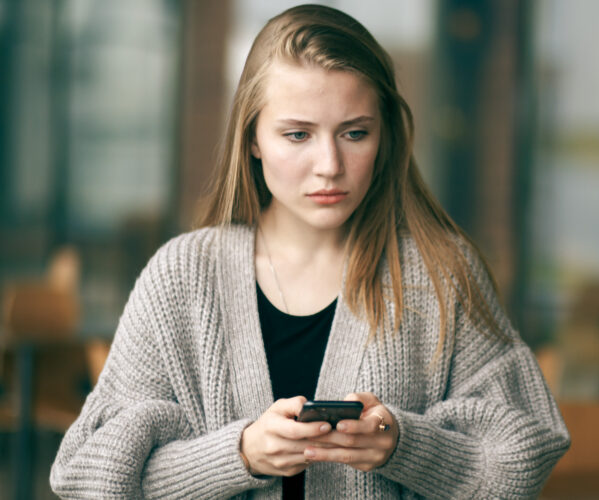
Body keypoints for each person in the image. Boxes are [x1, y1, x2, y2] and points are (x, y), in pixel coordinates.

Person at [50, 4, 569, 499]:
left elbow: (522, 459)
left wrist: (403, 447)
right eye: (297, 134)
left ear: (384, 136)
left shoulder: (441, 273)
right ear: (252, 138)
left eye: (355, 133)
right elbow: (86, 476)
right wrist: (239, 455)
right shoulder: (182, 277)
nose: (329, 164)